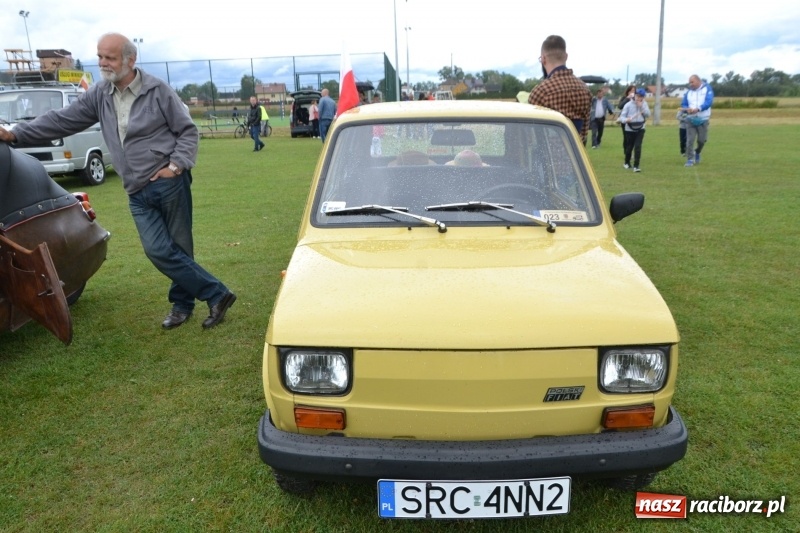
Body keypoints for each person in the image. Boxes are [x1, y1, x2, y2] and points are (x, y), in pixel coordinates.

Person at [0, 33, 236, 330]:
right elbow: (63, 119)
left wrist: (176, 166)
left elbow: (187, 131)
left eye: (110, 58)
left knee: (179, 246)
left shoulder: (157, 90)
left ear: (130, 60)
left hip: (169, 183)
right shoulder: (100, 93)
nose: (103, 63)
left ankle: (182, 304)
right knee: (157, 250)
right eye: (100, 56)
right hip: (136, 190)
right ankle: (217, 293)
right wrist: (15, 133)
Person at [528, 35, 592, 145]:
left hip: (548, 154)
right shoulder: (585, 90)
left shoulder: (540, 92)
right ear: (566, 56)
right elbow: (584, 135)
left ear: (543, 59)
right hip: (574, 154)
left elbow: (533, 136)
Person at [681, 74, 714, 167]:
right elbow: (684, 104)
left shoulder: (707, 89)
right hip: (690, 119)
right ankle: (690, 159)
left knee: (702, 140)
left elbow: (709, 102)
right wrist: (686, 109)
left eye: (692, 82)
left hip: (703, 119)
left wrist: (699, 109)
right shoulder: (688, 92)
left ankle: (697, 152)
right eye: (689, 82)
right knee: (690, 140)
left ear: (698, 81)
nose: (690, 84)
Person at [618, 88, 650, 173]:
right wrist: (626, 120)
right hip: (629, 129)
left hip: (641, 128)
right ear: (635, 95)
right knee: (629, 147)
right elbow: (621, 117)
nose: (639, 98)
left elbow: (648, 114)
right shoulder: (628, 105)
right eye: (638, 96)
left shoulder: (644, 104)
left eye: (641, 97)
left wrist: (641, 106)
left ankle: (636, 166)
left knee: (638, 146)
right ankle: (627, 162)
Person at [617, 85, 636, 153]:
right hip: (625, 120)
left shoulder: (636, 99)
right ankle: (627, 151)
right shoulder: (624, 98)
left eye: (634, 91)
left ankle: (631, 151)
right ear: (628, 92)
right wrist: (627, 98)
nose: (632, 92)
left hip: (633, 120)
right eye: (631, 91)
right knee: (626, 136)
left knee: (633, 137)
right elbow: (620, 106)